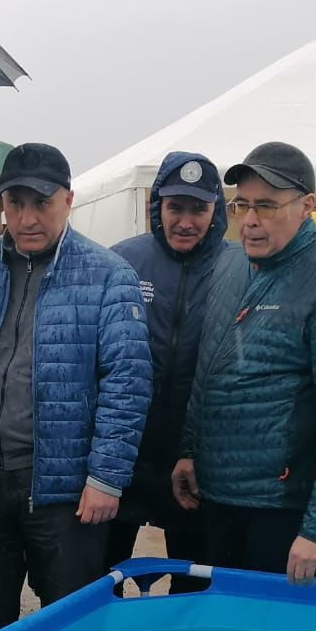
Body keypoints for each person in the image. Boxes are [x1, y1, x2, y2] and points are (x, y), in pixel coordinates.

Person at [0, 142, 152, 631]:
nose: (27, 217)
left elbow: (127, 381)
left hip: (65, 490)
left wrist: (106, 478)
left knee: (69, 621)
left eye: (42, 202)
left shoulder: (107, 276)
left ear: (68, 200)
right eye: (16, 203)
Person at [172, 142, 316, 583]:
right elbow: (208, 367)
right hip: (216, 497)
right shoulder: (231, 264)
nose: (250, 220)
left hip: (281, 509)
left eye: (266, 205)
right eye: (242, 204)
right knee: (219, 629)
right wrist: (190, 450)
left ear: (307, 206)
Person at [106, 153, 249, 582]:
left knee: (194, 584)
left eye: (198, 209)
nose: (186, 221)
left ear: (216, 211)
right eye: (175, 207)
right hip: (125, 456)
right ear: (157, 207)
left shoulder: (239, 268)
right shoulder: (122, 262)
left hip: (196, 463)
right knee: (100, 580)